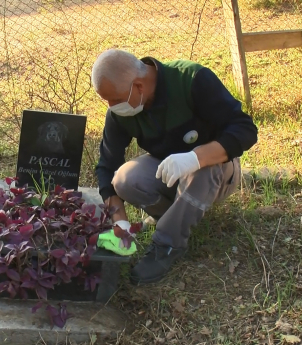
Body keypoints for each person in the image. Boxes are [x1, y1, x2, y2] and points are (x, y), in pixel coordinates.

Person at [92, 49, 258, 285]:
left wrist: (195, 157)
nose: (111, 106)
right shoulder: (121, 111)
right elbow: (107, 167)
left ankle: (167, 244)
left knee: (202, 171)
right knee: (124, 179)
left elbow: (245, 130)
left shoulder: (191, 80)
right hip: (169, 171)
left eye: (115, 100)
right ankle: (177, 215)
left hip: (217, 170)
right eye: (106, 101)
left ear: (138, 86)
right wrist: (119, 220)